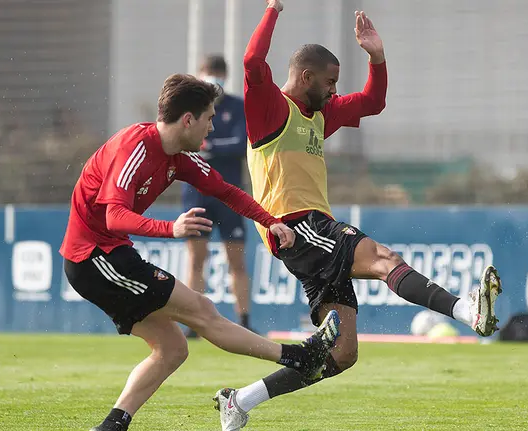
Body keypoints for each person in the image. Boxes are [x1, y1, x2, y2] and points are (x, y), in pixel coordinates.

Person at [212, 1, 503, 430]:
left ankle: (239, 401)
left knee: (342, 353)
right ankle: (468, 311)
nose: (335, 91)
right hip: (295, 226)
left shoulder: (320, 115)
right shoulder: (270, 108)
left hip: (308, 234)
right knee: (384, 259)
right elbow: (253, 60)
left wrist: (377, 57)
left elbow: (373, 102)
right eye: (329, 82)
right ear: (306, 77)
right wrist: (272, 8)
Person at [59, 73, 340, 431]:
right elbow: (114, 216)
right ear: (188, 120)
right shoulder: (136, 147)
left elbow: (226, 191)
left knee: (173, 349)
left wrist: (271, 222)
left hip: (107, 257)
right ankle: (300, 357)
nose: (212, 128)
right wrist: (170, 228)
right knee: (202, 311)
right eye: (209, 118)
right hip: (94, 258)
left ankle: (112, 426)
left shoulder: (178, 156)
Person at [181, 55, 252, 337]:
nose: (213, 79)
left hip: (229, 193)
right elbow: (184, 142)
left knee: (237, 261)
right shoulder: (188, 107)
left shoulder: (237, 107)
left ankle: (244, 321)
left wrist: (211, 146)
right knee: (196, 259)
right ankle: (193, 323)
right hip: (197, 194)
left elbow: (241, 143)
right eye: (208, 74)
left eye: (217, 74)